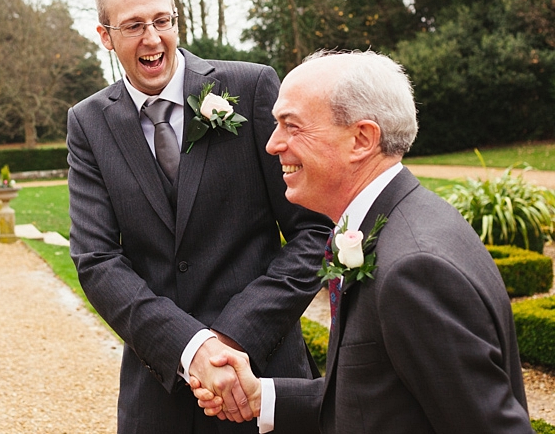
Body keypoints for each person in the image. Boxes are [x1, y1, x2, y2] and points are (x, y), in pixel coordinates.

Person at [192, 49, 533, 433]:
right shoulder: (399, 221)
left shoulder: (414, 269)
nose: (272, 144)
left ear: (361, 139)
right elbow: (380, 395)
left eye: (292, 126)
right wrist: (263, 398)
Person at [66, 0, 332, 434]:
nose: (152, 39)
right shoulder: (88, 123)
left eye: (162, 20)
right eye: (132, 26)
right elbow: (97, 259)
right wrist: (190, 347)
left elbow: (313, 229)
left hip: (262, 376)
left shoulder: (249, 89)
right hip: (160, 393)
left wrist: (230, 337)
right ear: (105, 36)